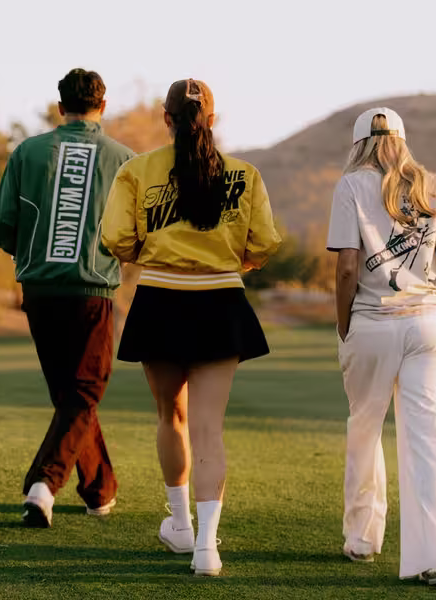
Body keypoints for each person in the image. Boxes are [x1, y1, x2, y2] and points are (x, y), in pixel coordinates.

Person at [101, 78, 280, 577]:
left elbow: (115, 237)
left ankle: (180, 526)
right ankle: (206, 548)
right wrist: (227, 263)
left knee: (170, 418)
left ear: (167, 119)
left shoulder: (137, 171)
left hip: (158, 301)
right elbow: (264, 243)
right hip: (221, 302)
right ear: (213, 120)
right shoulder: (245, 174)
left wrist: (152, 259)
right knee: (209, 429)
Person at [326, 107, 436, 587]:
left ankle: (362, 538)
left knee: (365, 428)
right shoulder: (434, 185)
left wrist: (343, 326)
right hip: (428, 327)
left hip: (373, 325)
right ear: (401, 139)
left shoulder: (350, 186)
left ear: (359, 145)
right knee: (429, 441)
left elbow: (347, 270)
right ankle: (433, 557)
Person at [0, 68, 134, 527]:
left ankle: (99, 489)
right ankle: (43, 485)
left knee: (73, 397)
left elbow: (3, 225)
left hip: (40, 291)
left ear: (59, 107)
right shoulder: (124, 160)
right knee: (84, 392)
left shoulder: (28, 151)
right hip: (91, 292)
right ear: (103, 106)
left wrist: (36, 258)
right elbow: (137, 235)